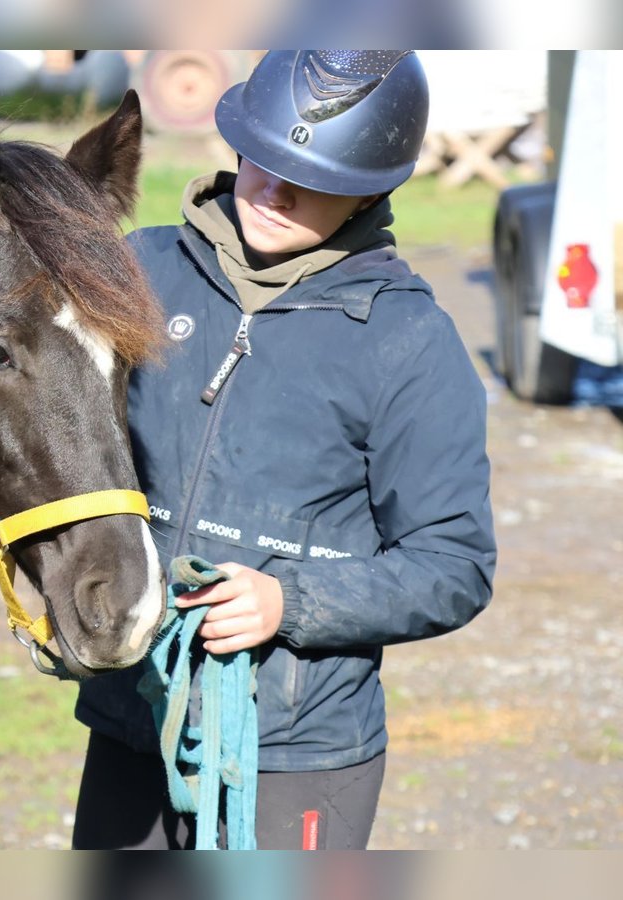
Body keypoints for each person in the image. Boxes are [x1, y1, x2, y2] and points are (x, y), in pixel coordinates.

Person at [72, 50, 496, 850]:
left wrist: (287, 603)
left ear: (374, 186)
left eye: (315, 175)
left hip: (299, 750)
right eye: (265, 158)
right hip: (136, 716)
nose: (274, 189)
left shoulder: (409, 342)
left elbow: (455, 565)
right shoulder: (140, 272)